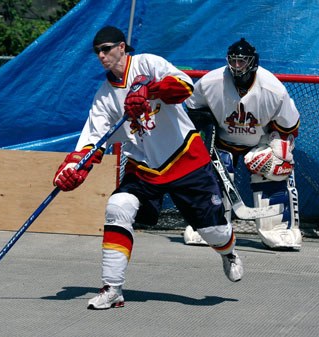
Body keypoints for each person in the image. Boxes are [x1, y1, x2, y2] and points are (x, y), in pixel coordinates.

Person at [53, 26, 243, 310]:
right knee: (118, 207)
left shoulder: (147, 64)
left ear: (121, 47)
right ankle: (113, 288)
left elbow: (184, 86)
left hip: (185, 159)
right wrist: (74, 167)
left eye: (106, 49)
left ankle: (229, 254)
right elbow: (92, 141)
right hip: (143, 168)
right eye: (97, 52)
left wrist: (148, 89)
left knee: (213, 231)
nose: (102, 56)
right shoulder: (104, 97)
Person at [184, 38, 301, 250]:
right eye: (234, 61)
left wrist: (277, 150)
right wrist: (204, 140)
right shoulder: (211, 82)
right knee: (210, 171)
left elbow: (289, 127)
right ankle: (209, 225)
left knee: (276, 164)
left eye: (242, 61)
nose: (237, 66)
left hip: (260, 141)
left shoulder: (273, 89)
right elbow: (194, 112)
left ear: (253, 62)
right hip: (221, 140)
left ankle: (279, 229)